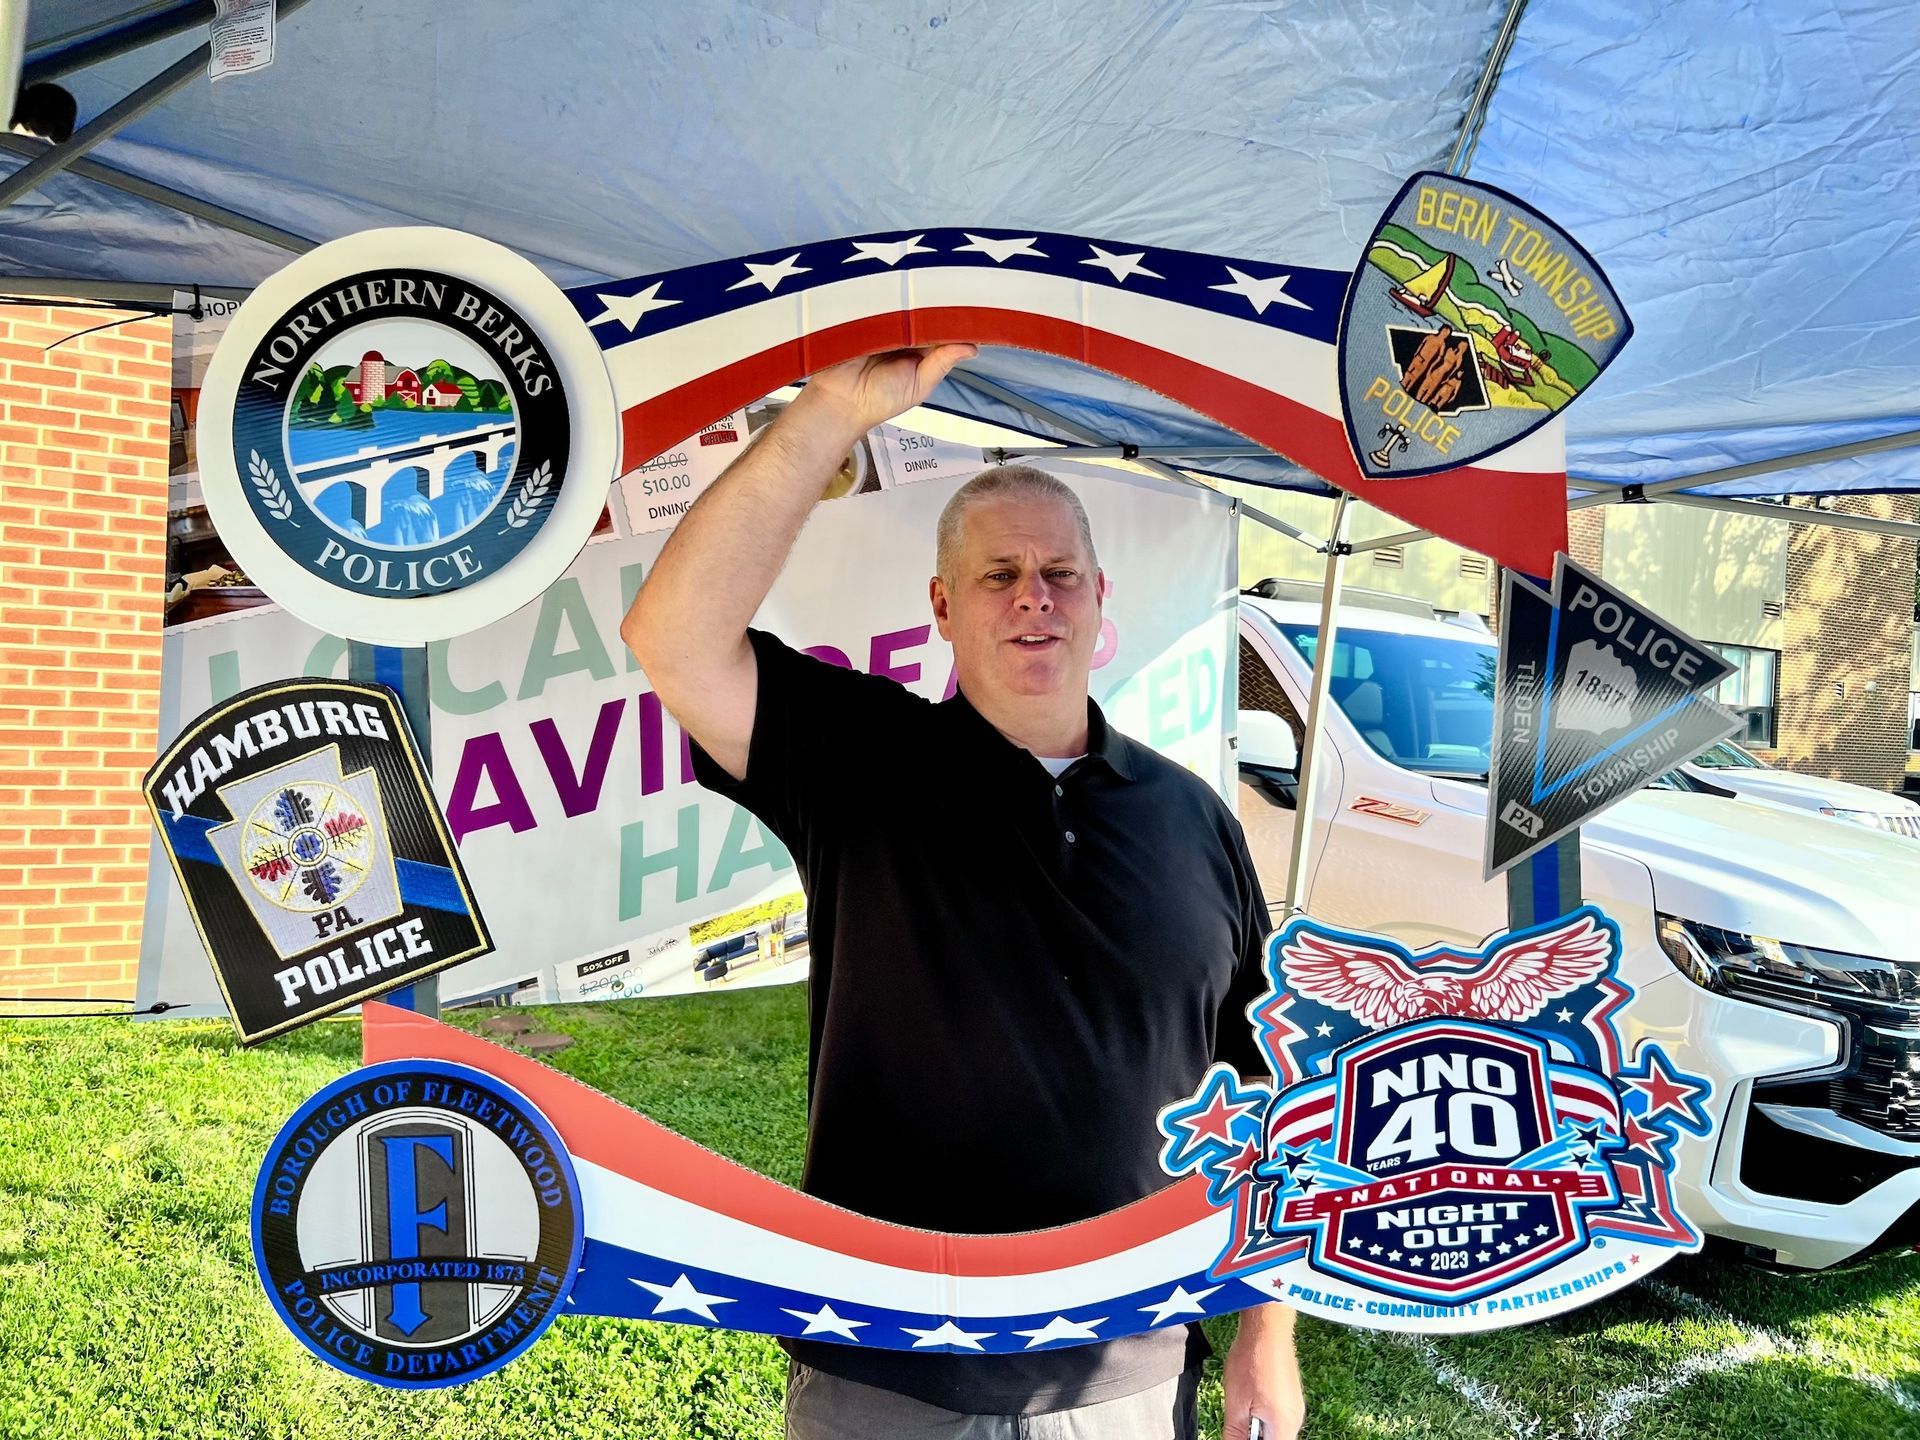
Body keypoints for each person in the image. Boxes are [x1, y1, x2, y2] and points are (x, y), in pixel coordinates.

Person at [621, 345, 1304, 1440]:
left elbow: (1267, 1087)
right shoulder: (861, 760)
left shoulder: (1193, 818)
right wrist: (832, 410)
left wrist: (1267, 1333)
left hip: (1128, 1370)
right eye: (998, 575)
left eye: (1060, 572)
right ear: (942, 605)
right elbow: (674, 636)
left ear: (1099, 597)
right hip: (888, 1371)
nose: (1034, 596)